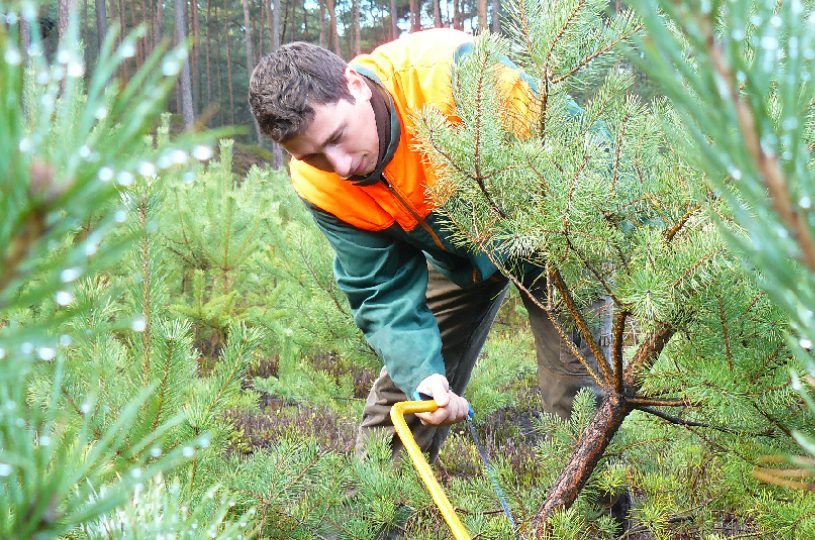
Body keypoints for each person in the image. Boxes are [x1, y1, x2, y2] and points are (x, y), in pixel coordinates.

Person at [248, 28, 601, 461]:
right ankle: (377, 523)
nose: (338, 167)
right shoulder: (320, 185)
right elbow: (381, 289)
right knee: (408, 406)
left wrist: (656, 242)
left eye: (337, 137)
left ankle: (596, 520)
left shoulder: (450, 76)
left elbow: (588, 153)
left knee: (577, 397)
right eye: (313, 156)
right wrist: (425, 374)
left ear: (355, 86)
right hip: (458, 259)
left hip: (555, 237)